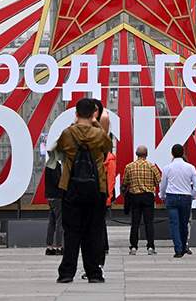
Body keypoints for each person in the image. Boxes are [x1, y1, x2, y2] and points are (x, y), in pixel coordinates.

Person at [51, 97, 114, 284]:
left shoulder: (67, 133)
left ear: (76, 113)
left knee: (71, 232)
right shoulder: (99, 135)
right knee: (93, 232)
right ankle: (94, 273)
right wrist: (96, 124)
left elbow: (58, 152)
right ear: (94, 114)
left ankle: (66, 273)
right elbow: (106, 150)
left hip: (70, 187)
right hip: (97, 187)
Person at [159, 145, 196, 258]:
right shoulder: (190, 167)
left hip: (171, 197)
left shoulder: (167, 168)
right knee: (184, 223)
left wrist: (162, 196)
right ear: (183, 153)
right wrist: (193, 196)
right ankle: (183, 245)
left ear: (172, 153)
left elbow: (163, 185)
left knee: (174, 224)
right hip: (186, 197)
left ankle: (178, 249)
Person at [121, 146, 161, 255]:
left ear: (136, 154)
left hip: (135, 197)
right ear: (146, 154)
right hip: (148, 196)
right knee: (149, 222)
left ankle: (133, 247)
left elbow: (125, 182)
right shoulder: (151, 166)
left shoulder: (129, 167)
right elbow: (158, 180)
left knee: (135, 223)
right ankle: (150, 247)